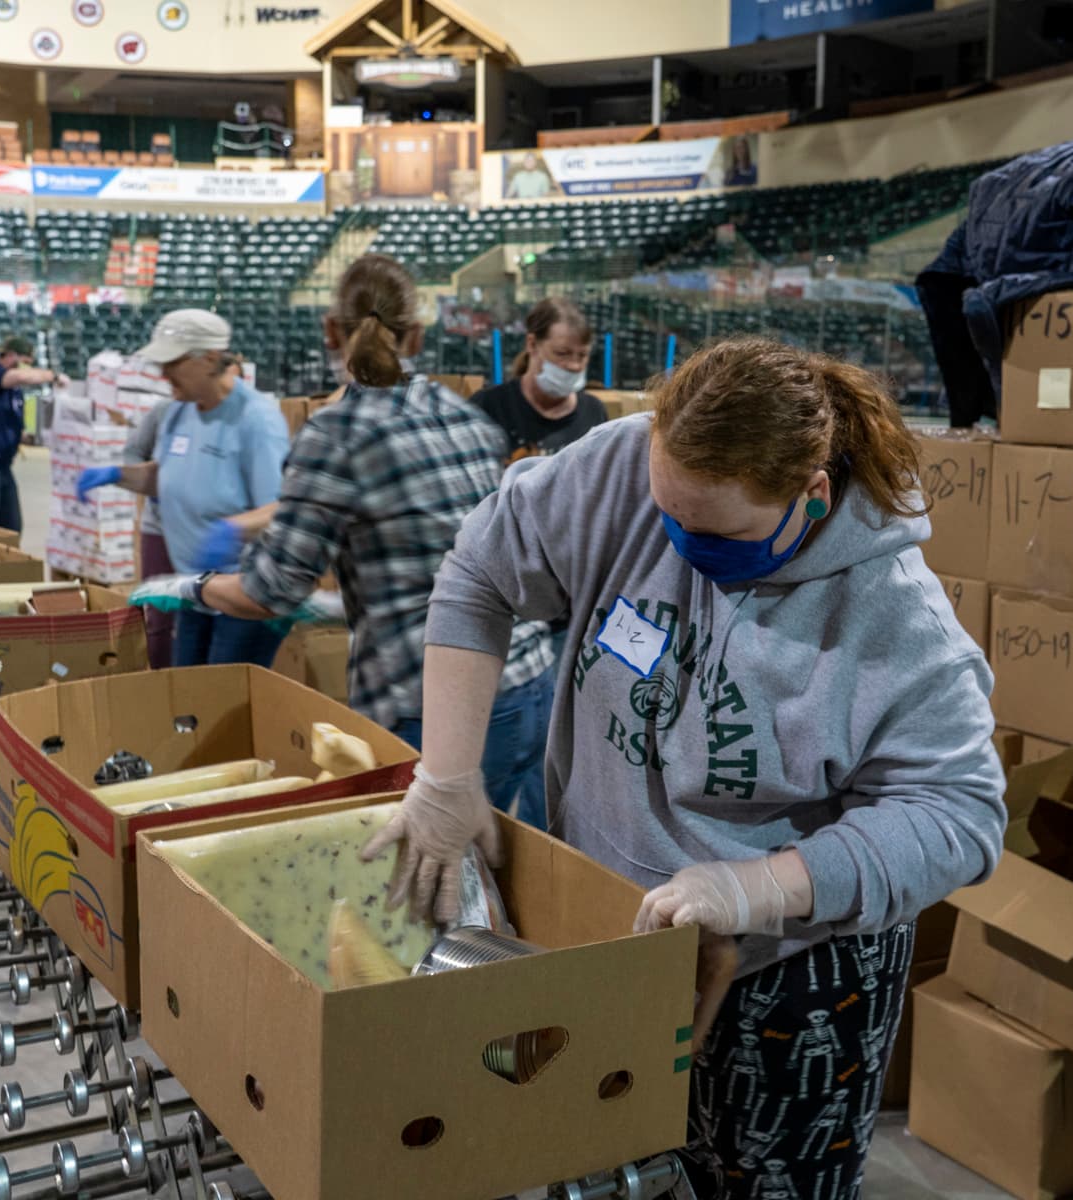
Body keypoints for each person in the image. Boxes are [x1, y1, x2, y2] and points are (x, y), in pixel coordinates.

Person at [361, 336, 1006, 1197]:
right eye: (666, 512)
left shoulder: (895, 621)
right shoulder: (624, 465)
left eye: (712, 532)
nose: (677, 543)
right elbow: (480, 571)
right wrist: (446, 777)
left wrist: (758, 888)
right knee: (592, 1167)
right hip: (607, 926)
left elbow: (959, 816)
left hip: (785, 972)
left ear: (810, 499)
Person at [129, 255, 558, 828]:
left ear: (330, 330)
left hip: (433, 705)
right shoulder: (468, 419)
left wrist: (189, 586)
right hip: (528, 683)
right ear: (418, 333)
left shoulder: (336, 432)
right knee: (496, 872)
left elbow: (270, 591)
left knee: (413, 888)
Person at [78, 310, 289, 669]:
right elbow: (168, 477)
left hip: (244, 592)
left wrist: (231, 529)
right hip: (195, 585)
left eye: (172, 363)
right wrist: (118, 474)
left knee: (222, 698)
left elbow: (281, 509)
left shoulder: (256, 419)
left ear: (208, 360)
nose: (163, 374)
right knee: (190, 693)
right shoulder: (180, 411)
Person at [469, 298, 608, 465]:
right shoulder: (489, 407)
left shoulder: (594, 413)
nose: (574, 365)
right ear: (532, 344)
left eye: (582, 355)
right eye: (562, 353)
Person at [0, 335, 65, 533]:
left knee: (11, 527)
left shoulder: (14, 392)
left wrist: (34, 439)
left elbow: (14, 428)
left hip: (2, 465)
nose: (27, 369)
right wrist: (53, 376)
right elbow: (19, 376)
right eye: (25, 363)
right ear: (11, 356)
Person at [124, 396, 178, 670]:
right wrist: (147, 483)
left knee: (199, 616)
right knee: (159, 613)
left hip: (207, 531)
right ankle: (162, 685)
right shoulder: (164, 411)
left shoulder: (232, 419)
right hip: (159, 528)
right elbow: (133, 450)